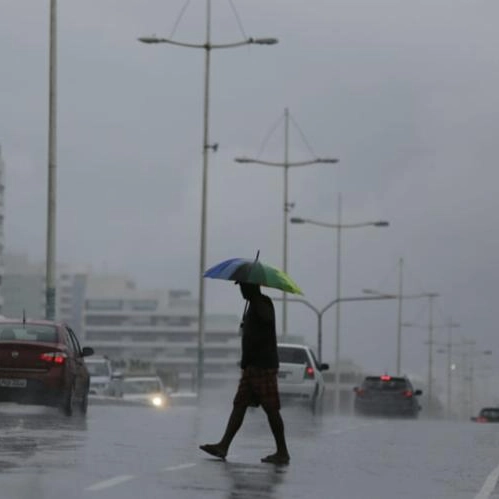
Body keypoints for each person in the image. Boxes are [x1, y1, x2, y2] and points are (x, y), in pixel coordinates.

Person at [200, 282, 290, 465]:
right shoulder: (252, 306)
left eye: (242, 286)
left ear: (251, 287)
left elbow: (266, 319)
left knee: (271, 409)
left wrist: (256, 303)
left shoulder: (262, 303)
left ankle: (282, 451)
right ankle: (223, 445)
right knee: (239, 405)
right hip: (251, 367)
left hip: (263, 366)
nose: (240, 290)